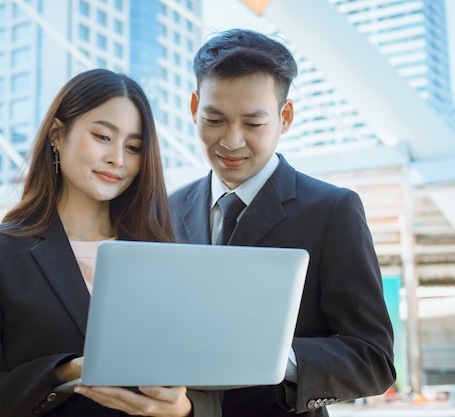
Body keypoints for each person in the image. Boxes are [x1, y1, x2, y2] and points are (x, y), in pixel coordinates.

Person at [0, 69, 222, 417]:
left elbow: (201, 389)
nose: (118, 159)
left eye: (133, 147)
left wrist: (183, 409)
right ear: (58, 134)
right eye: (103, 136)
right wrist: (65, 371)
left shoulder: (165, 255)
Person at [169, 29, 396, 416]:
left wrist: (274, 359)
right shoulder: (166, 210)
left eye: (253, 124)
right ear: (194, 107)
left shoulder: (332, 210)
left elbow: (373, 359)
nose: (232, 141)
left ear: (284, 117)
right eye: (214, 119)